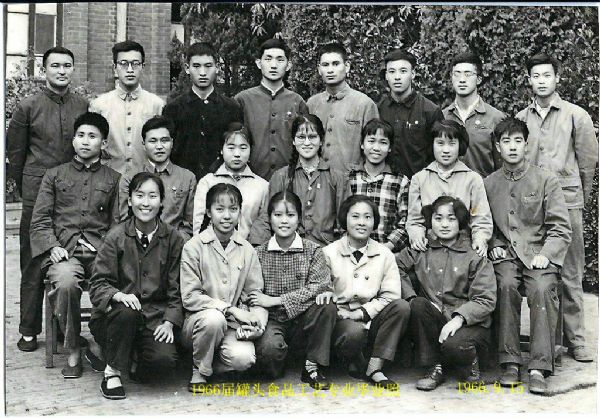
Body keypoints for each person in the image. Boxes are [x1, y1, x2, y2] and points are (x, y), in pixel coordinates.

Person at [516, 52, 598, 363]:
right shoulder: (521, 119)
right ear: (529, 80)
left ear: (557, 78)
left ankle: (576, 339)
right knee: (541, 268)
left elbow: (588, 162)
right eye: (536, 76)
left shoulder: (576, 116)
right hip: (534, 205)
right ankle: (549, 339)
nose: (541, 81)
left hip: (568, 202)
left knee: (571, 271)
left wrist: (577, 198)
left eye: (547, 75)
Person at [7, 46, 89, 352]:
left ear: (72, 69)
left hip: (70, 194)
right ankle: (28, 329)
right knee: (33, 261)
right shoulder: (28, 106)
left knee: (67, 256)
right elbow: (15, 154)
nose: (61, 71)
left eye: (67, 65)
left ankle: (64, 328)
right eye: (55, 66)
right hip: (35, 192)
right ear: (44, 70)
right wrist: (27, 187)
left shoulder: (82, 105)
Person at [484, 118, 572, 394]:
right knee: (505, 285)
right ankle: (510, 362)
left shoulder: (546, 179)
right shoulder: (488, 183)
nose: (512, 147)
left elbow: (561, 228)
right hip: (507, 257)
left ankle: (539, 366)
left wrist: (547, 253)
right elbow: (485, 224)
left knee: (542, 288)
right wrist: (494, 244)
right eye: (506, 141)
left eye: (518, 141)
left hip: (538, 255)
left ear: (526, 145)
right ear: (498, 147)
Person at [29, 112, 120, 378]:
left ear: (103, 143)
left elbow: (118, 223)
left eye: (92, 136)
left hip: (101, 252)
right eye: (80, 135)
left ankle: (103, 342)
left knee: (115, 284)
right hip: (65, 253)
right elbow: (40, 220)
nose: (85, 141)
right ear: (73, 140)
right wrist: (52, 246)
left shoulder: (114, 179)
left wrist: (108, 251)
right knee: (66, 282)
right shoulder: (54, 175)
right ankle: (73, 349)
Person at [89, 173, 185, 400]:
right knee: (127, 312)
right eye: (139, 195)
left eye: (153, 196)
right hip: (115, 319)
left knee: (163, 363)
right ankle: (112, 372)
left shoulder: (174, 239)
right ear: (130, 200)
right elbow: (98, 284)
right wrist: (118, 295)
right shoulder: (115, 237)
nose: (146, 203)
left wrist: (169, 322)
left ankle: (124, 357)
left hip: (154, 319)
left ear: (161, 201)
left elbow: (178, 288)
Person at [396, 196, 496, 391]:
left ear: (460, 222)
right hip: (436, 318)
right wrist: (411, 297)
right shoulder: (421, 248)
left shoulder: (474, 254)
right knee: (418, 305)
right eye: (438, 218)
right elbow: (394, 267)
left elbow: (485, 299)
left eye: (451, 219)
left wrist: (459, 319)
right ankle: (435, 366)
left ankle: (470, 366)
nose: (444, 224)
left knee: (454, 345)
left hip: (469, 324)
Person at [180, 183, 268, 392]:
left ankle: (210, 363)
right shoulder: (194, 247)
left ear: (240, 212)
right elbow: (190, 296)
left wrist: (257, 323)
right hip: (198, 323)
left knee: (244, 359)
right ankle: (199, 370)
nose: (226, 216)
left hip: (232, 326)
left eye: (233, 209)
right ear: (209, 212)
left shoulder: (247, 250)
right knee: (214, 319)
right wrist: (229, 309)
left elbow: (255, 294)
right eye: (219, 209)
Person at [317, 195, 411, 389]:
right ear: (344, 220)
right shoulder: (329, 253)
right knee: (354, 333)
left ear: (374, 222)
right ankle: (348, 360)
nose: (361, 222)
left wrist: (360, 313)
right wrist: (344, 314)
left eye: (367, 217)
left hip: (372, 318)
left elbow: (391, 295)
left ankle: (374, 368)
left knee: (401, 307)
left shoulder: (384, 254)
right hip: (341, 321)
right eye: (355, 216)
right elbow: (322, 291)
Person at [249, 191, 336, 389]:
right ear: (269, 218)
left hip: (305, 322)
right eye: (278, 215)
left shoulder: (313, 250)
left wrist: (277, 300)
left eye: (290, 215)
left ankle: (312, 366)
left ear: (299, 218)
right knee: (270, 354)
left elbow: (319, 286)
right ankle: (282, 361)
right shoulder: (258, 253)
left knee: (327, 305)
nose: (284, 221)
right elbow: (254, 294)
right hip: (272, 320)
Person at [249, 114, 350, 247]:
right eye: (301, 137)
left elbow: (346, 223)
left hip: (326, 250)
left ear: (321, 140)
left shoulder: (337, 178)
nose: (307, 143)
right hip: (289, 250)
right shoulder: (281, 177)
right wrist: (257, 248)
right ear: (294, 141)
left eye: (312, 137)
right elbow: (266, 218)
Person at [406, 119, 492, 258]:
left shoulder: (473, 179)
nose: (446, 150)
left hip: (464, 247)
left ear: (460, 145)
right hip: (430, 247)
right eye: (440, 143)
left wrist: (480, 239)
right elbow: (415, 220)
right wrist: (416, 235)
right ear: (432, 144)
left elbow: (481, 219)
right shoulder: (419, 179)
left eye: (452, 144)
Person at [164, 42, 243, 179]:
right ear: (187, 68)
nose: (202, 73)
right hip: (182, 182)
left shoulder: (231, 108)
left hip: (221, 181)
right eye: (196, 66)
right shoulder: (173, 109)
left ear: (217, 67)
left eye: (208, 66)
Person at [235, 38, 309, 180]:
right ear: (259, 63)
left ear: (288, 65)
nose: (273, 65)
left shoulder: (297, 101)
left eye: (280, 60)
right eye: (268, 59)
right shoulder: (242, 100)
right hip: (250, 180)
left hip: (289, 180)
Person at [89, 40, 165, 177]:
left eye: (135, 64)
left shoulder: (156, 105)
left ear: (143, 67)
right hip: (108, 179)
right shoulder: (99, 105)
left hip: (146, 180)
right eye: (123, 64)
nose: (130, 70)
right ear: (115, 68)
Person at [119, 115, 196, 240]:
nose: (159, 146)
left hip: (174, 244)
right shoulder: (129, 178)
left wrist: (173, 242)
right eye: (153, 141)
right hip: (138, 244)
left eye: (164, 140)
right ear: (144, 145)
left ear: (172, 143)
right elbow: (124, 221)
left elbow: (189, 225)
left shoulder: (187, 178)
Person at [307, 42, 378, 171]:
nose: (330, 70)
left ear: (347, 66)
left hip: (352, 179)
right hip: (317, 179)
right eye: (325, 65)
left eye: (336, 64)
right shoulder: (312, 104)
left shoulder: (364, 104)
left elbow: (374, 149)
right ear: (319, 69)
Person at [193, 123, 268, 239]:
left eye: (243, 148)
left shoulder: (262, 186)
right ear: (221, 150)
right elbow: (199, 226)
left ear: (250, 150)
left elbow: (263, 228)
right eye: (231, 148)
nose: (237, 154)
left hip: (249, 248)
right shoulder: (207, 182)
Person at [378, 48, 444, 178]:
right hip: (384, 184)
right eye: (392, 71)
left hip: (419, 184)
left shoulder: (430, 111)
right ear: (386, 75)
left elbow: (439, 154)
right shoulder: (379, 109)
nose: (397, 77)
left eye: (403, 71)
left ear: (412, 74)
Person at [347, 118, 410, 252]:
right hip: (352, 251)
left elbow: (406, 222)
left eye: (383, 142)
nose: (376, 148)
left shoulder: (400, 181)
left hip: (388, 252)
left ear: (390, 148)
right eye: (371, 141)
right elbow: (341, 218)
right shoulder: (350, 178)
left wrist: (387, 247)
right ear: (362, 144)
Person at [443, 52, 505, 177]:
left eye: (468, 74)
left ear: (479, 79)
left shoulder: (495, 118)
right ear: (451, 77)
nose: (462, 80)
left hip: (484, 188)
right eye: (457, 74)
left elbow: (502, 168)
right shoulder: (442, 117)